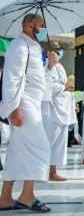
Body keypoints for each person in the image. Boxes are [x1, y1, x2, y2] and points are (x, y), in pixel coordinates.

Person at [0, 14, 51, 213]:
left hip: (32, 103)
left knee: (16, 151)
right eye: (42, 25)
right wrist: (14, 109)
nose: (44, 29)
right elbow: (11, 78)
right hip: (24, 104)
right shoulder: (19, 46)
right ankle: (27, 196)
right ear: (31, 26)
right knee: (41, 148)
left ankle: (5, 197)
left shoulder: (32, 46)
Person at [42, 49, 69, 182]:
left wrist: (63, 87)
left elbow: (63, 84)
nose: (53, 56)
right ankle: (44, 171)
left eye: (55, 54)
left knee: (59, 142)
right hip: (50, 109)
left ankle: (53, 171)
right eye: (50, 54)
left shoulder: (60, 67)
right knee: (49, 141)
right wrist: (62, 87)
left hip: (61, 107)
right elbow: (46, 87)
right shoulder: (44, 68)